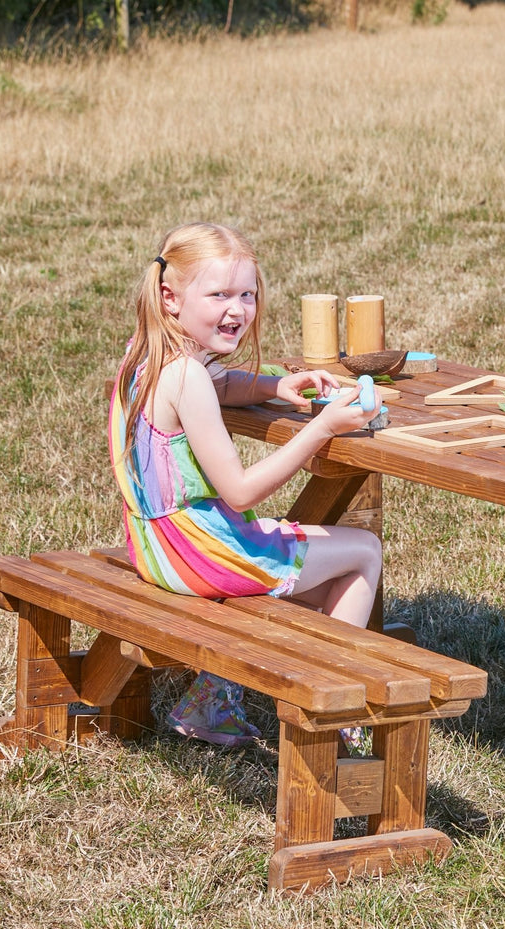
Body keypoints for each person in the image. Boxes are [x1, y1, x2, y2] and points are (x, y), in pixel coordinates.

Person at [108, 222, 384, 748]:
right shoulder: (186, 376)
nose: (237, 310)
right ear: (171, 298)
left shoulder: (147, 355)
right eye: (219, 295)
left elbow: (219, 383)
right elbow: (239, 492)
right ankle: (333, 717)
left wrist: (273, 386)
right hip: (200, 553)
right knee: (364, 550)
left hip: (153, 544)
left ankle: (213, 701)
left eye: (248, 295)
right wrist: (322, 428)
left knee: (327, 582)